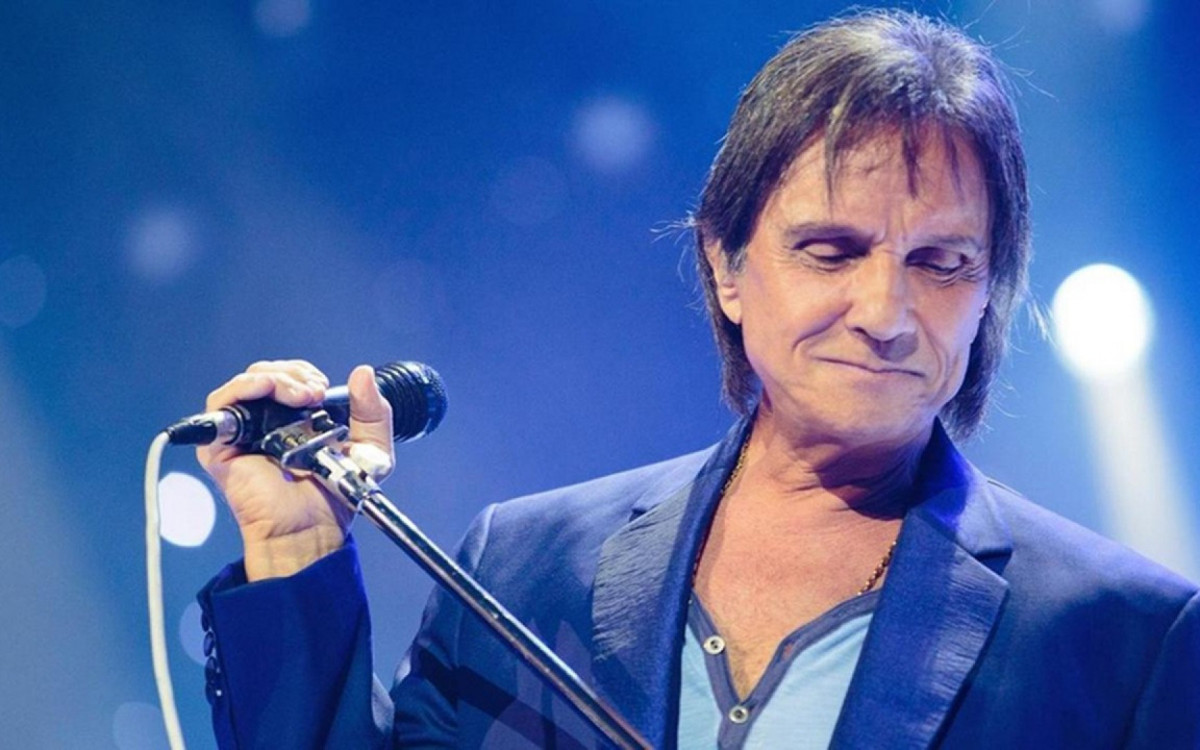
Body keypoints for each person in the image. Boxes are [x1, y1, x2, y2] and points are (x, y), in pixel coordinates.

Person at [195, 9, 1200, 749]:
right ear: (726, 264)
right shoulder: (523, 567)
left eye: (941, 263)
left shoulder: (1126, 639)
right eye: (832, 251)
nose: (887, 313)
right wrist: (296, 553)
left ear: (990, 295)